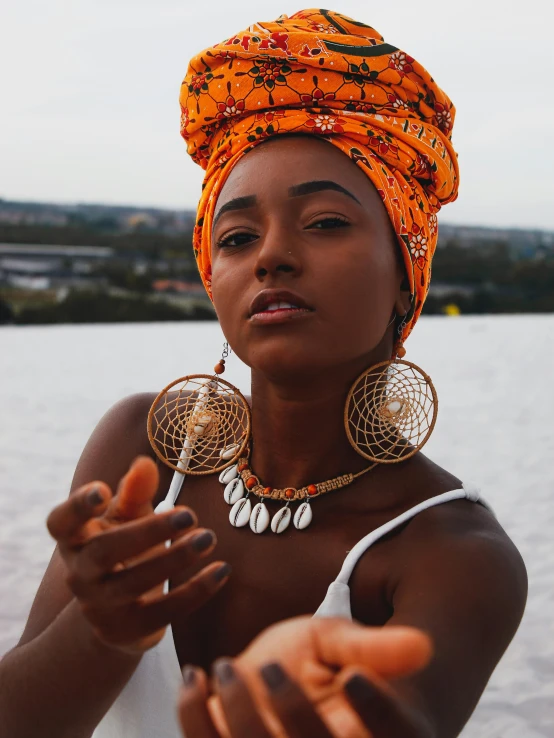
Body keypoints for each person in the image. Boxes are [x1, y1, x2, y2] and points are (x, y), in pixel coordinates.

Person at [0, 9, 527, 738]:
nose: (271, 257)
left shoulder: (452, 556)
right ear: (212, 281)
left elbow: (406, 717)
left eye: (325, 223)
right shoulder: (146, 453)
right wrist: (100, 632)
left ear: (407, 275)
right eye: (238, 236)